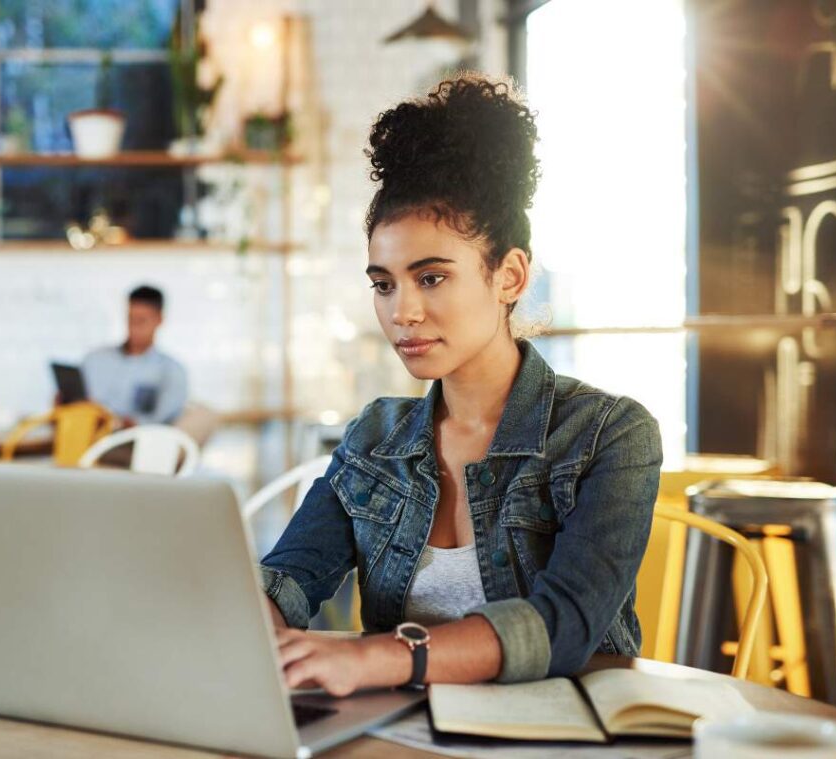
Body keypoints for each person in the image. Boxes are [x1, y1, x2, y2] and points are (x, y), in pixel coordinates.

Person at [260, 74, 663, 696]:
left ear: (509, 275)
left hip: (565, 735)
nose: (403, 312)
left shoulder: (608, 434)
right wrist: (250, 626)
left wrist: (376, 660)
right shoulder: (375, 436)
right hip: (407, 734)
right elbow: (290, 577)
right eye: (384, 283)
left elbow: (566, 625)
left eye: (432, 278)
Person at [81, 285, 188, 426]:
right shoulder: (94, 359)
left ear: (159, 320)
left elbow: (159, 422)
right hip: (84, 435)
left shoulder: (172, 371)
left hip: (133, 443)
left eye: (141, 321)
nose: (134, 328)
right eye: (130, 319)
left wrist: (123, 424)